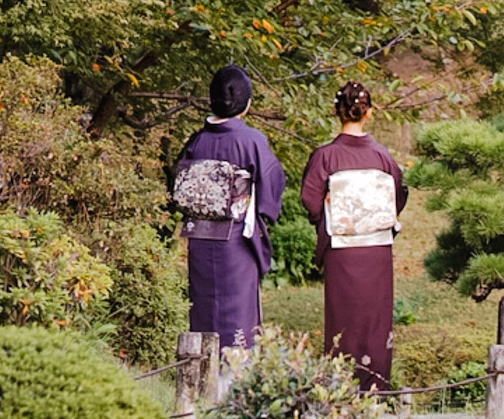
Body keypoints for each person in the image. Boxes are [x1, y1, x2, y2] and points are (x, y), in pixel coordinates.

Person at [300, 82, 408, 390]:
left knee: (342, 320)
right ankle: (376, 389)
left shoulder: (326, 157)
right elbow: (398, 196)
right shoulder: (382, 156)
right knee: (375, 321)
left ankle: (340, 388)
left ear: (336, 112)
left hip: (342, 249)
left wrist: (330, 217)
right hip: (376, 249)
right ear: (369, 113)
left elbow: (309, 199)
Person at [171, 64, 286, 355]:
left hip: (199, 239)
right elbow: (271, 185)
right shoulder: (252, 141)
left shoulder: (197, 141)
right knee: (238, 314)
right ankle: (236, 381)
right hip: (236, 240)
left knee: (204, 308)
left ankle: (200, 375)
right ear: (246, 104)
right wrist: (262, 211)